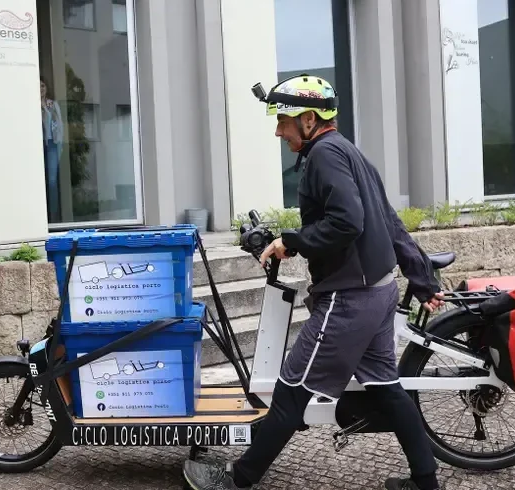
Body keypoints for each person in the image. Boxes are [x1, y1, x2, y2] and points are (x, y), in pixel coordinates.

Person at [182, 74, 446, 490]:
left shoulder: (325, 155)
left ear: (308, 119)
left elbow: (348, 222)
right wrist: (422, 278)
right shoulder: (348, 152)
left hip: (350, 299)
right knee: (387, 389)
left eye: (283, 120)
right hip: (378, 291)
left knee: (290, 392)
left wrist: (292, 241)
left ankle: (237, 480)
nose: (277, 130)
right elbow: (388, 222)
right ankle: (426, 483)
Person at [41, 76, 64, 222]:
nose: (40, 89)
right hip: (37, 145)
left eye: (42, 85)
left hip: (52, 144)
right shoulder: (31, 104)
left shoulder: (52, 104)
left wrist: (60, 144)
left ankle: (53, 217)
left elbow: (60, 125)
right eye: (37, 86)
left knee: (52, 181)